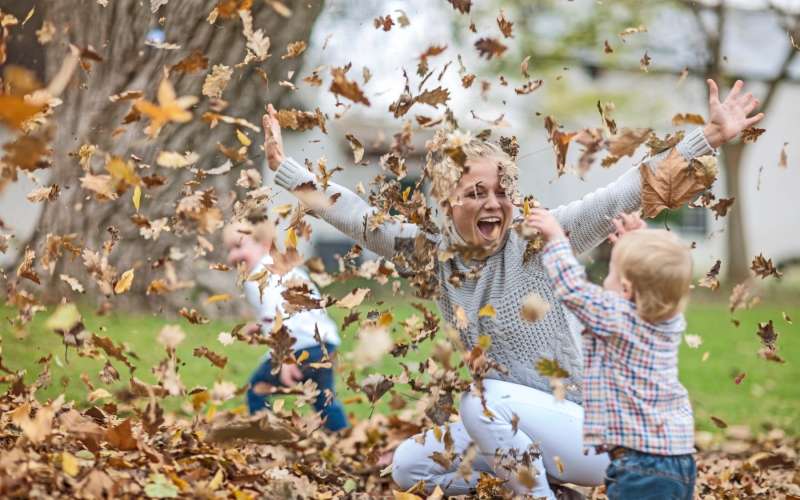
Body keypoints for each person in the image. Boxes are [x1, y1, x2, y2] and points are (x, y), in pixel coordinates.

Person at [261, 80, 762, 497]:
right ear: (445, 200)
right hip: (515, 429)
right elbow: (356, 216)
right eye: (476, 193)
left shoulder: (536, 239)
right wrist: (286, 169)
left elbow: (623, 191)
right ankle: (541, 484)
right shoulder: (431, 254)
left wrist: (708, 139)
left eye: (502, 191)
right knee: (410, 467)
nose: (494, 203)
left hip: (586, 432)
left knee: (480, 401)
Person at [528, 210, 696, 499]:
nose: (605, 282)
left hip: (641, 466)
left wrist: (555, 239)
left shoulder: (617, 317)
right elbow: (649, 280)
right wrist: (634, 245)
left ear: (627, 289)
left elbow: (573, 290)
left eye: (613, 275)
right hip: (679, 458)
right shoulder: (669, 322)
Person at [223, 219, 349, 432]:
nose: (232, 256)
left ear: (263, 245)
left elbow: (279, 316)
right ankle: (346, 439)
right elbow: (287, 310)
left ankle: (267, 435)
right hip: (323, 343)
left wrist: (286, 359)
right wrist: (259, 325)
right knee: (322, 399)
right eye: (229, 250)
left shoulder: (258, 276)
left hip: (300, 347)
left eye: (238, 247)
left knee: (257, 389)